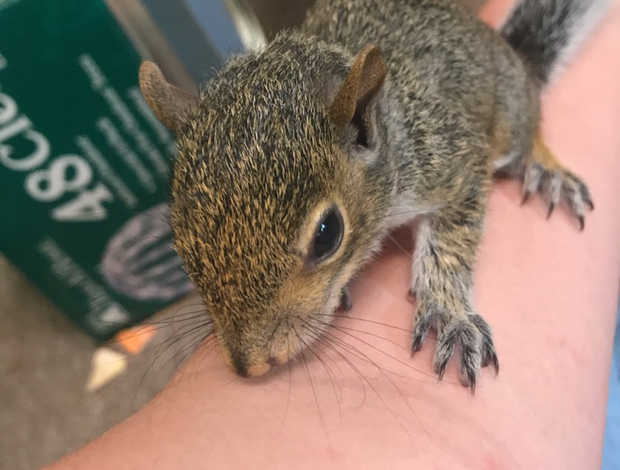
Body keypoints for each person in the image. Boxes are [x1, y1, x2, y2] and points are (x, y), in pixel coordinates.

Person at [47, 0, 620, 468]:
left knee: (510, 141)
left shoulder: (412, 149)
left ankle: (539, 142)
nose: (246, 360)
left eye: (323, 237)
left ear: (363, 129)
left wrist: (445, 290)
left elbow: (465, 174)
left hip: (489, 86)